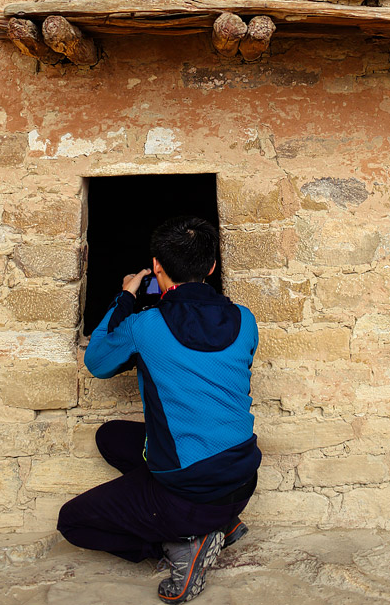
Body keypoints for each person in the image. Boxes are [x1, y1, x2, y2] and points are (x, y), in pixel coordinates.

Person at [57, 216, 261, 603]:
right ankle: (225, 523)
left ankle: (182, 545)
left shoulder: (146, 325)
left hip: (188, 491)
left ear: (156, 268)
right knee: (112, 438)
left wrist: (127, 295)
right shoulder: (245, 320)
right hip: (242, 477)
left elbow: (98, 361)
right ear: (213, 267)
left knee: (72, 522)